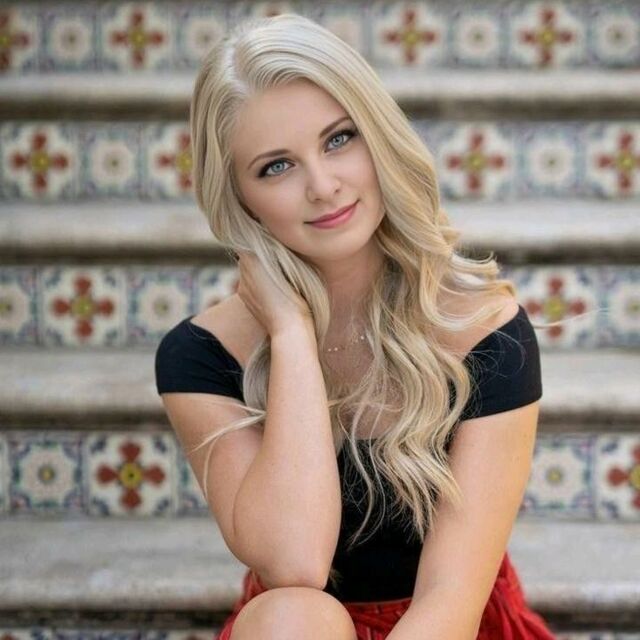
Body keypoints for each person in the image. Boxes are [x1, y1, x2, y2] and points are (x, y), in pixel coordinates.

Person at [155, 12, 564, 640]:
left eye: (339, 139)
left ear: (378, 135)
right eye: (276, 167)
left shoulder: (484, 332)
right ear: (239, 199)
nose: (323, 186)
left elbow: (449, 604)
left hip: (448, 625)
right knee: (294, 614)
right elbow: (294, 562)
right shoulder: (202, 356)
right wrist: (291, 333)